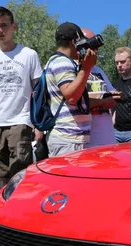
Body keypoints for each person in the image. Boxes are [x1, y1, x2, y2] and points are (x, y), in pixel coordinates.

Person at [0, 6, 43, 186]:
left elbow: (39, 92)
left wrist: (39, 124)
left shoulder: (29, 55)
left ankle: (21, 212)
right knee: (0, 179)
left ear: (14, 26)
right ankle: (5, 213)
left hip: (20, 121)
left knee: (20, 175)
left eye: (3, 25)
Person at [44, 22, 97, 156]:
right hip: (68, 140)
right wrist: (87, 67)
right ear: (75, 42)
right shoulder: (62, 62)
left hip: (71, 139)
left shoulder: (56, 61)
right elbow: (72, 96)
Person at [80, 28, 121, 148]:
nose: (96, 50)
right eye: (92, 45)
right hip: (86, 136)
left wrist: (114, 95)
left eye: (97, 47)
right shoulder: (73, 69)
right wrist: (102, 102)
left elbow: (109, 91)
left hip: (106, 134)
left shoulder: (98, 70)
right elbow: (77, 100)